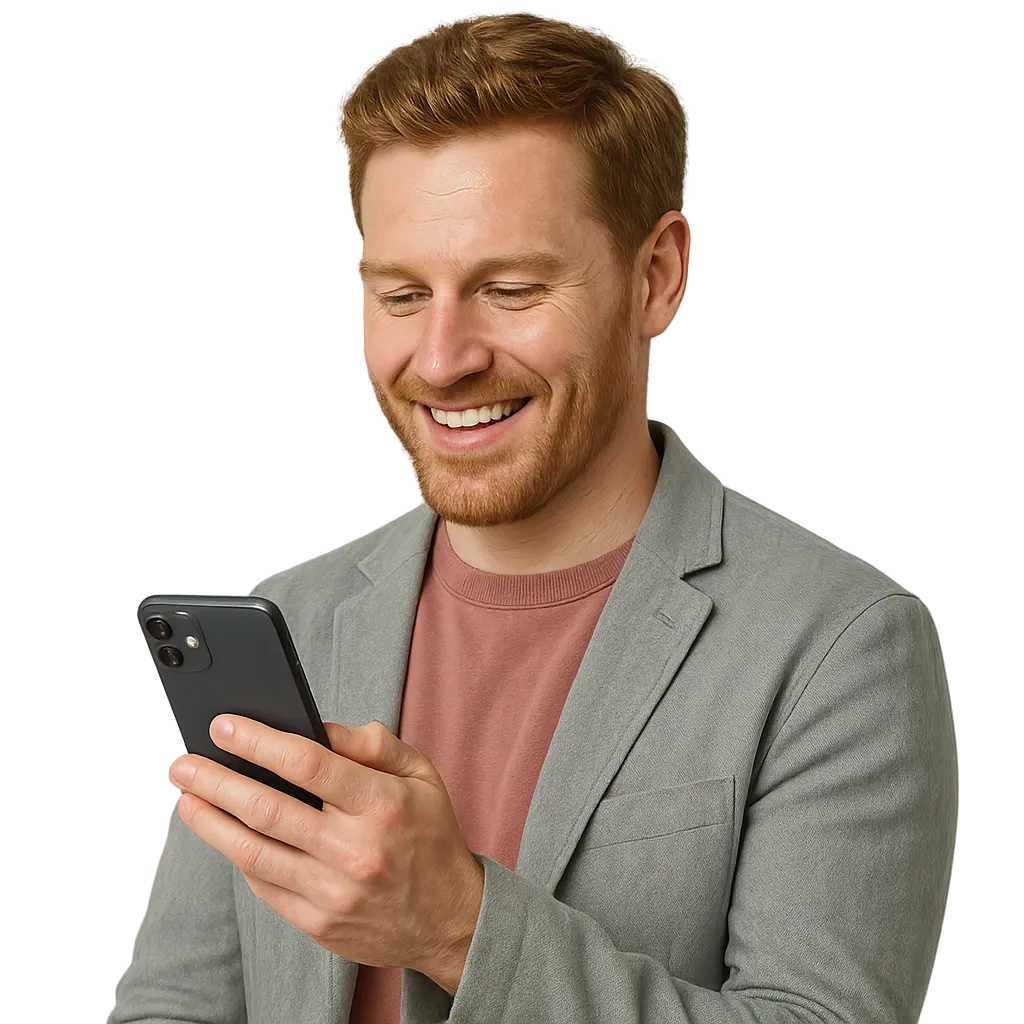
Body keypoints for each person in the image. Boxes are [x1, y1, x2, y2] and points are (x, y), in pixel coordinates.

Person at [108, 13, 958, 1024]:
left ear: (657, 277)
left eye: (509, 289)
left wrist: (454, 925)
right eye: (401, 294)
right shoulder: (294, 613)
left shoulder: (838, 645)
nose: (441, 359)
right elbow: (172, 1006)